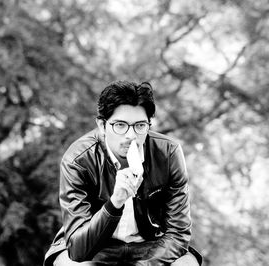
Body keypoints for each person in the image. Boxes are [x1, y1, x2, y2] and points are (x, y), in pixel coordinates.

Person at [44, 81, 202, 266]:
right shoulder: (78, 160)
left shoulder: (168, 153)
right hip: (96, 249)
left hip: (150, 245)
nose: (131, 135)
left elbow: (178, 234)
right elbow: (78, 249)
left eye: (140, 125)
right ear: (102, 125)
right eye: (120, 125)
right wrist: (115, 203)